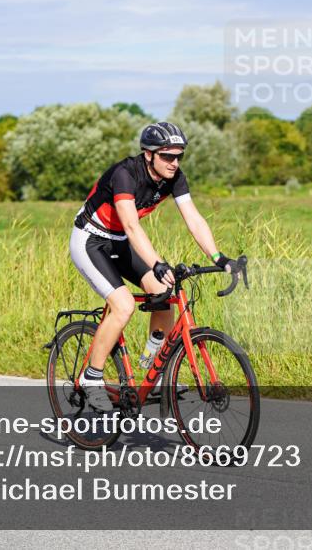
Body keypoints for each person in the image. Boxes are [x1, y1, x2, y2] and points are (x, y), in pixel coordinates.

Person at [69, 122, 235, 412]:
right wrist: (157, 262)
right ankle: (91, 377)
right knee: (123, 306)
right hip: (91, 240)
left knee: (163, 293)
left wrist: (219, 257)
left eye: (179, 156)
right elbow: (132, 226)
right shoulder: (125, 174)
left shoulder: (174, 177)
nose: (174, 163)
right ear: (149, 154)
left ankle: (152, 370)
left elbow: (194, 219)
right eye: (167, 156)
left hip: (120, 242)